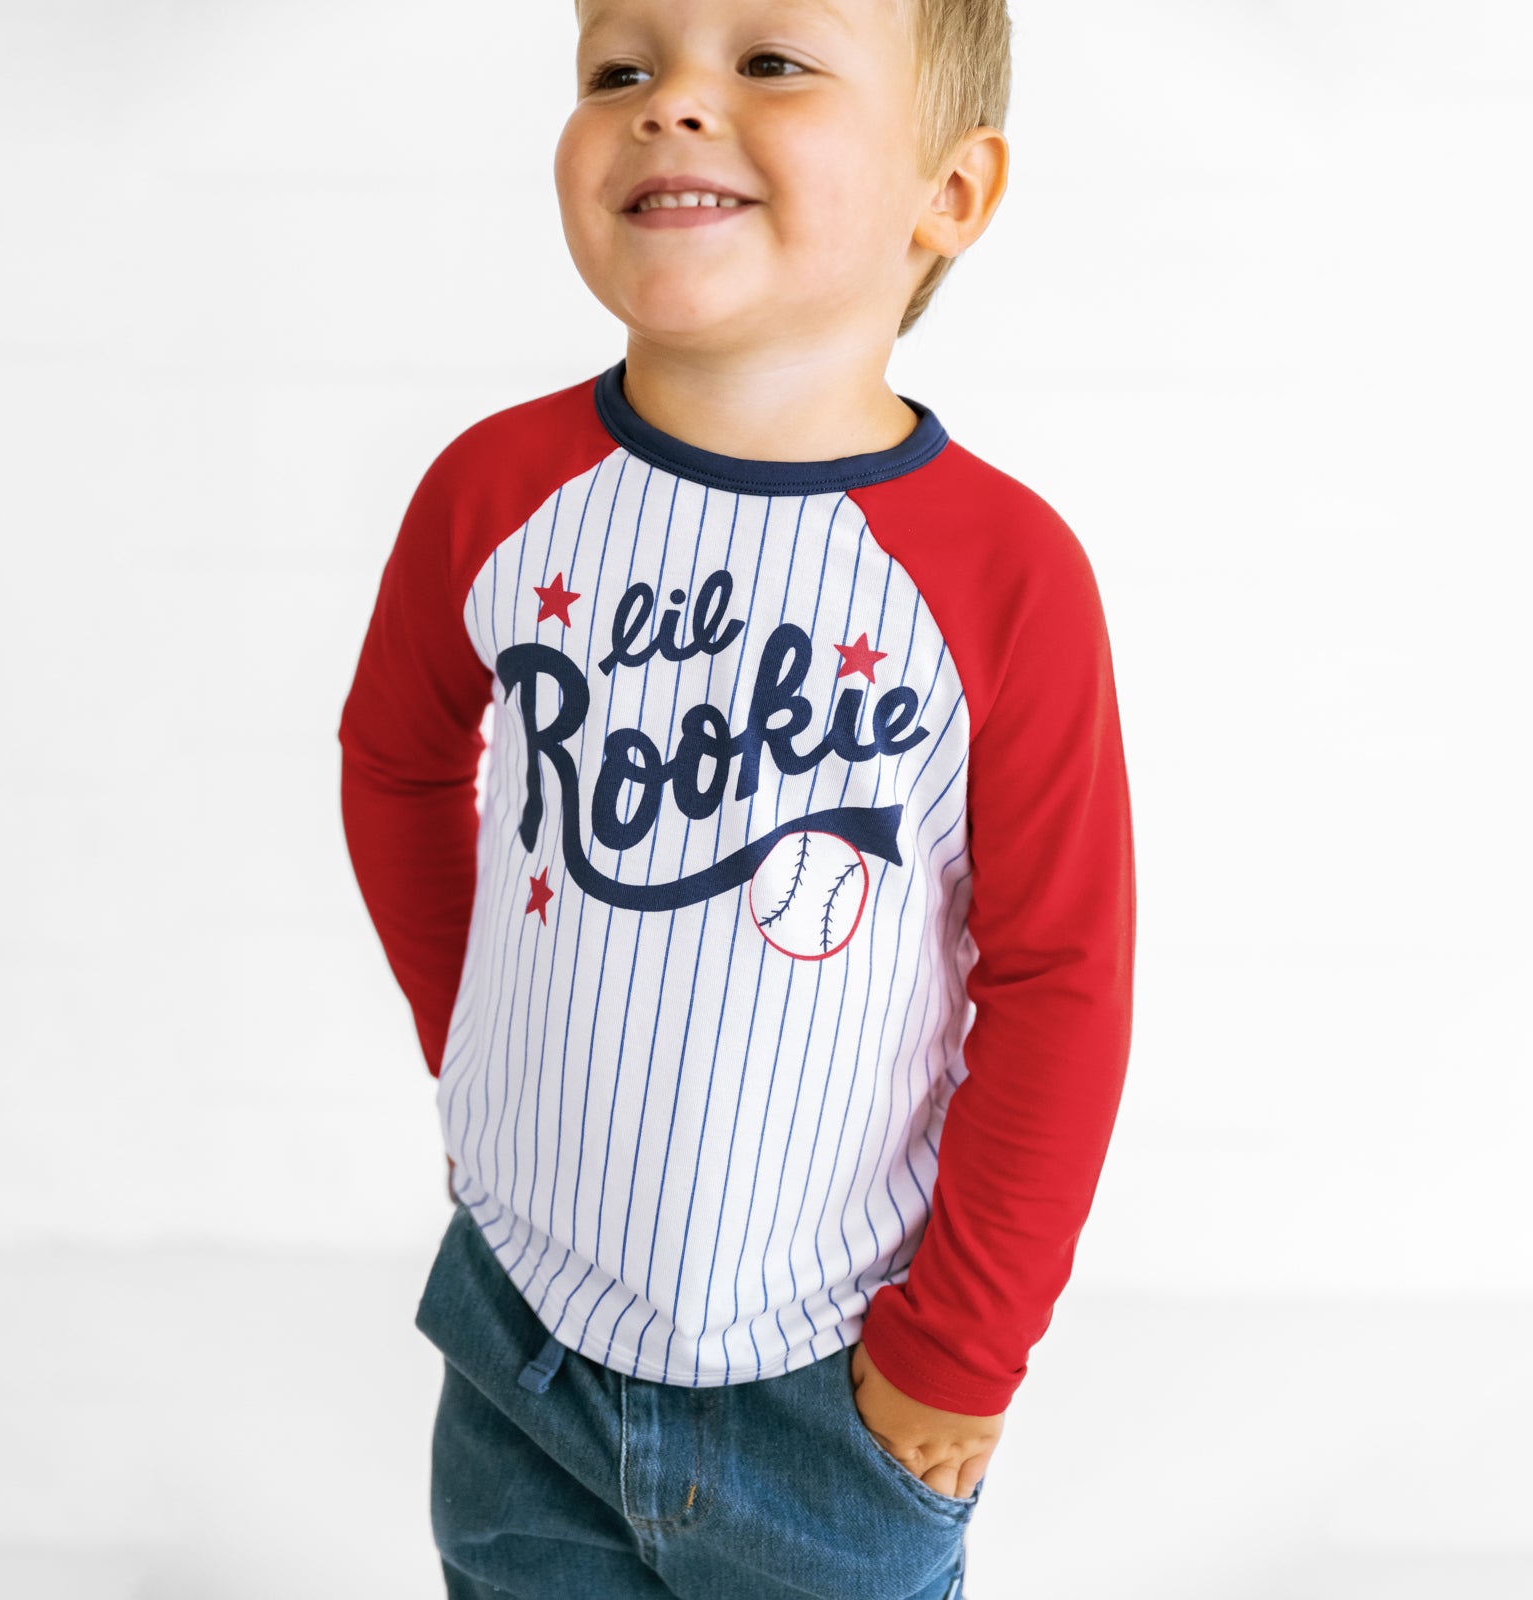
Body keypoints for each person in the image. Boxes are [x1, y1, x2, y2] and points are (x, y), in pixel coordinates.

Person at [338, 0, 1135, 1594]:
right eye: (619, 69)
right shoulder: (496, 494)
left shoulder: (1003, 576)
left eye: (768, 62)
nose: (671, 106)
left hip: (831, 1380)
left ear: (950, 192)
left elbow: (1060, 978)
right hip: (523, 1348)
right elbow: (398, 764)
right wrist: (474, 1042)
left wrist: (961, 1351)